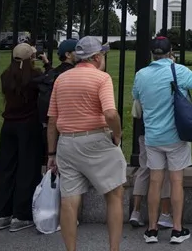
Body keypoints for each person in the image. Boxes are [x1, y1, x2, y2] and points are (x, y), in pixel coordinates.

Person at [46, 36, 127, 251]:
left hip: (67, 143)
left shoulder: (61, 79)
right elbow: (110, 112)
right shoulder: (101, 78)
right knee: (115, 194)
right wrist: (117, 134)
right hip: (96, 140)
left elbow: (53, 120)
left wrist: (51, 153)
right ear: (97, 57)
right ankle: (114, 249)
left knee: (69, 200)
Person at [131, 36, 192, 244]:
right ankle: (176, 229)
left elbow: (137, 100)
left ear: (151, 53)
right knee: (176, 181)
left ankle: (152, 229)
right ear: (170, 51)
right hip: (175, 136)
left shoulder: (141, 75)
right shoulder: (178, 70)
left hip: (153, 137)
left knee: (155, 182)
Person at [0, 42, 48, 232]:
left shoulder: (6, 75)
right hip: (28, 125)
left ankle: (2, 214)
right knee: (27, 169)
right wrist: (47, 64)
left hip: (9, 125)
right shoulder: (35, 76)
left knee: (6, 168)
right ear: (31, 57)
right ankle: (21, 215)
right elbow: (51, 81)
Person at [129, 134, 173, 229]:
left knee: (144, 169)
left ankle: (136, 212)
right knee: (165, 171)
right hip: (164, 133)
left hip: (145, 131)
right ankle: (164, 214)